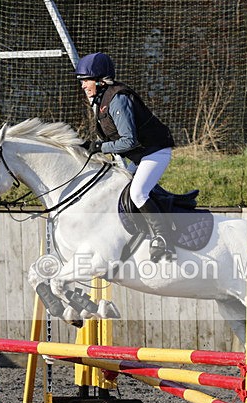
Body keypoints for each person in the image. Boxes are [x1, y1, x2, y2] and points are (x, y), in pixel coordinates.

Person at [75, 52, 176, 262]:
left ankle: (163, 238)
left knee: (138, 193)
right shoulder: (102, 100)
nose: (83, 85)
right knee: (122, 188)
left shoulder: (117, 99)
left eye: (86, 80)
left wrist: (100, 147)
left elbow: (128, 141)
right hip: (142, 155)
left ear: (101, 81)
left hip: (155, 151)